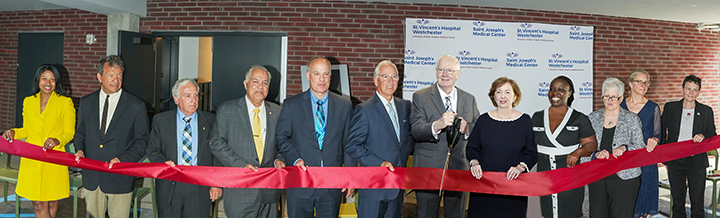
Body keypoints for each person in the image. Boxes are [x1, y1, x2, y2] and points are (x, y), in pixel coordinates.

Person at [276, 57, 355, 218]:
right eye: (317, 73)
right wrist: (295, 158)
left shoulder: (344, 105)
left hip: (331, 185)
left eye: (326, 74)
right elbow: (281, 138)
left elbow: (349, 142)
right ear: (308, 75)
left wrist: (350, 176)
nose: (322, 79)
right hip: (300, 182)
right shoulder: (291, 104)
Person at [74, 55, 149, 218]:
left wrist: (123, 159)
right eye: (111, 75)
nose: (116, 80)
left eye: (119, 75)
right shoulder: (87, 102)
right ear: (99, 77)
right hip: (92, 177)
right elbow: (80, 132)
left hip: (119, 177)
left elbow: (143, 142)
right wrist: (79, 149)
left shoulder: (136, 106)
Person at [210, 66, 285, 217]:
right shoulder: (227, 109)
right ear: (245, 84)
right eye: (255, 81)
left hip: (269, 192)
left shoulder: (277, 111)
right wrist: (241, 165)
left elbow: (283, 144)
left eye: (265, 83)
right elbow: (216, 143)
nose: (260, 87)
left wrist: (279, 159)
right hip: (240, 191)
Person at [410, 54, 479, 218]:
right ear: (435, 72)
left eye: (450, 70)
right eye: (441, 70)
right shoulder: (421, 96)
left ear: (458, 74)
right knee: (426, 213)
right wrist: (438, 124)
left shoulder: (469, 99)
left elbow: (478, 129)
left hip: (458, 167)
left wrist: (467, 127)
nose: (445, 74)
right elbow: (416, 130)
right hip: (428, 168)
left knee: (456, 214)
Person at [1, 64, 74, 218]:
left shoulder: (65, 102)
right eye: (44, 79)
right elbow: (27, 129)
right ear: (38, 80)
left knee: (52, 201)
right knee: (38, 202)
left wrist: (56, 140)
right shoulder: (28, 101)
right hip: (32, 157)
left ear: (57, 82)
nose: (48, 83)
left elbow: (69, 133)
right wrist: (14, 132)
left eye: (52, 79)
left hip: (54, 158)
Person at [345, 60, 414, 218]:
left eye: (394, 77)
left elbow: (407, 140)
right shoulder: (364, 110)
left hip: (397, 187)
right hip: (373, 188)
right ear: (375, 80)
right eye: (385, 76)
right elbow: (352, 145)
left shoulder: (405, 107)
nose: (391, 81)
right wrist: (379, 163)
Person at [146, 78, 222, 217]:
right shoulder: (161, 121)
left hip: (199, 187)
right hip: (170, 185)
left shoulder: (211, 121)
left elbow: (217, 153)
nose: (193, 100)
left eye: (196, 95)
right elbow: (152, 149)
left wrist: (216, 183)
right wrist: (163, 163)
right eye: (187, 96)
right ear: (176, 99)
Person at [466, 77, 537, 218]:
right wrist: (474, 162)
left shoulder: (525, 121)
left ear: (515, 96)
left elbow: (531, 153)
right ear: (493, 96)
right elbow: (472, 148)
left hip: (513, 186)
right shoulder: (483, 120)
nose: (503, 96)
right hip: (484, 185)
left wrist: (520, 167)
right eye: (499, 92)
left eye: (507, 92)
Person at [531, 75, 597, 218]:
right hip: (544, 175)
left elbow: (591, 144)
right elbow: (527, 145)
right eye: (552, 89)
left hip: (570, 174)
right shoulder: (537, 117)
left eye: (561, 89)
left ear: (570, 93)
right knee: (547, 211)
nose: (555, 93)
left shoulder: (579, 118)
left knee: (569, 211)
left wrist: (579, 151)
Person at [586, 77, 644, 218]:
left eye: (614, 97)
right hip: (598, 178)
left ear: (621, 98)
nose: (610, 100)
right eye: (606, 96)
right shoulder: (591, 118)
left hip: (625, 180)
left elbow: (640, 147)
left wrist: (625, 148)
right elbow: (583, 148)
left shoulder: (632, 119)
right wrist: (595, 154)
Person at [661, 74, 716, 218]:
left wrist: (703, 135)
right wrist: (665, 158)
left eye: (695, 90)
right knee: (678, 203)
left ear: (699, 92)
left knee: (697, 203)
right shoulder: (670, 108)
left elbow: (712, 133)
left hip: (696, 161)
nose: (691, 93)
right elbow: (661, 132)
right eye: (688, 89)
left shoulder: (706, 111)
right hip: (675, 161)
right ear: (683, 89)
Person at [620, 70, 661, 218]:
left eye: (646, 82)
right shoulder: (620, 105)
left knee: (645, 199)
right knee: (626, 200)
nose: (643, 85)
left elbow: (658, 134)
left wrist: (655, 140)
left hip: (646, 160)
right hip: (625, 158)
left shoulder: (653, 107)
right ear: (630, 84)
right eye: (639, 82)